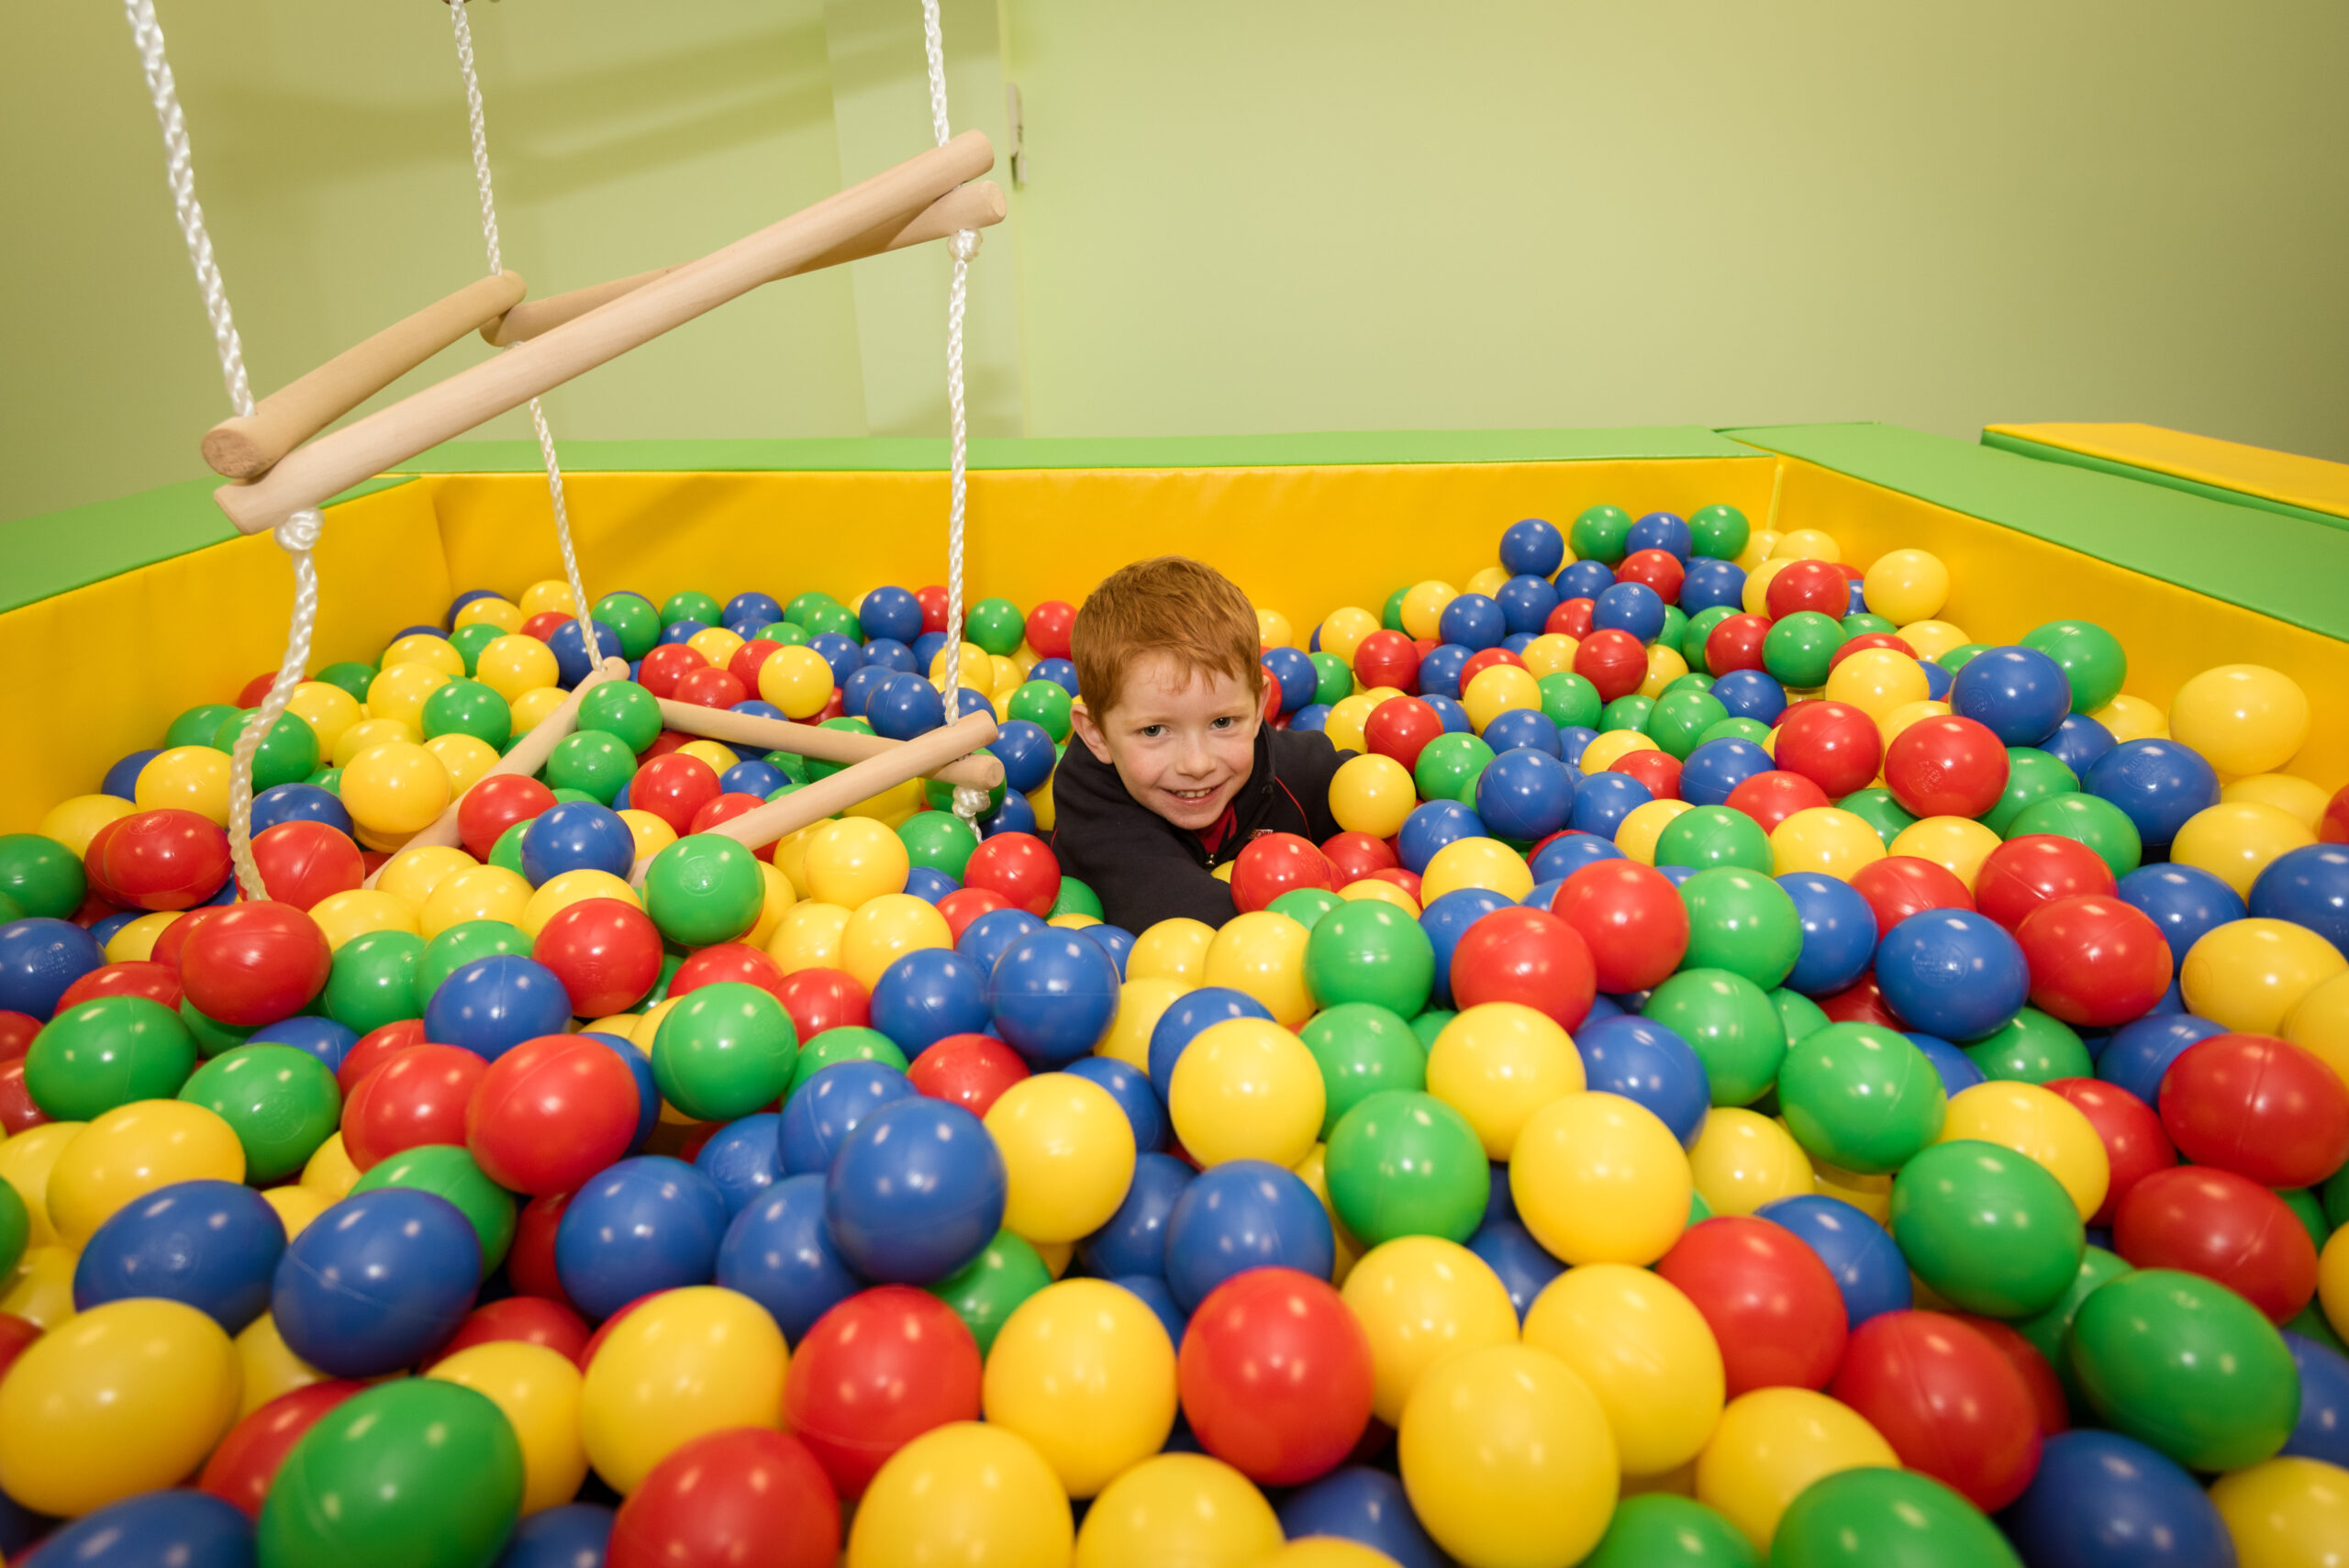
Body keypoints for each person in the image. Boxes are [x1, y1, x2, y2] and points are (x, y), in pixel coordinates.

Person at [1052, 555, 1352, 932]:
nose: (1197, 764)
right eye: (1154, 731)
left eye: (1222, 722)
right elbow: (1172, 909)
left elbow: (1374, 790)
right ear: (1096, 734)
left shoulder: (1288, 769)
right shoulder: (1090, 799)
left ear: (1258, 709)